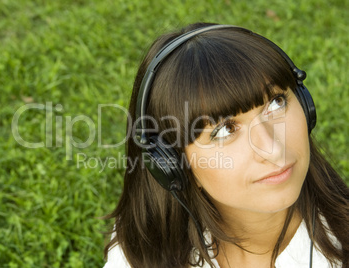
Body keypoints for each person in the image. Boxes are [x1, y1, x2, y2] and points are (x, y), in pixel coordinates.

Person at [103, 22, 348, 268]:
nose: (273, 150)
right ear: (172, 164)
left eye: (276, 103)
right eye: (225, 130)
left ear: (305, 105)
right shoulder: (140, 249)